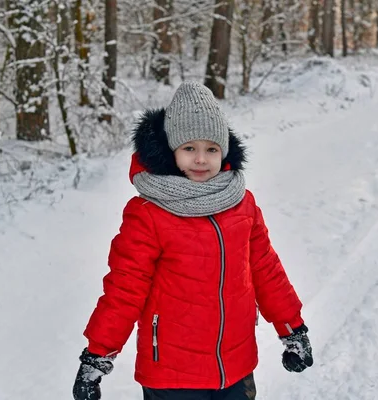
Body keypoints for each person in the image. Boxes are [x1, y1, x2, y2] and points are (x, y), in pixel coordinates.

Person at [72, 82, 313, 400]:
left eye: (211, 149)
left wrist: (293, 328)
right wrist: (97, 355)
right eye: (189, 148)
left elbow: (265, 269)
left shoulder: (241, 203)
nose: (201, 159)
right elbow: (124, 290)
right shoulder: (149, 213)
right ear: (172, 151)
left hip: (235, 368)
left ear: (224, 152)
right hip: (172, 375)